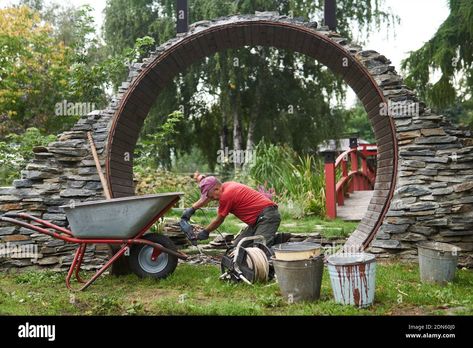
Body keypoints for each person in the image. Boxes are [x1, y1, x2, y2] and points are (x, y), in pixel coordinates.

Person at [181, 173, 281, 247]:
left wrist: (205, 232)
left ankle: (280, 250)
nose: (212, 199)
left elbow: (219, 220)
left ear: (216, 189)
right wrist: (192, 209)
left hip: (268, 216)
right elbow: (206, 198)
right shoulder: (225, 186)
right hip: (258, 219)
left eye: (212, 197)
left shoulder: (226, 196)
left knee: (260, 248)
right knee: (238, 246)